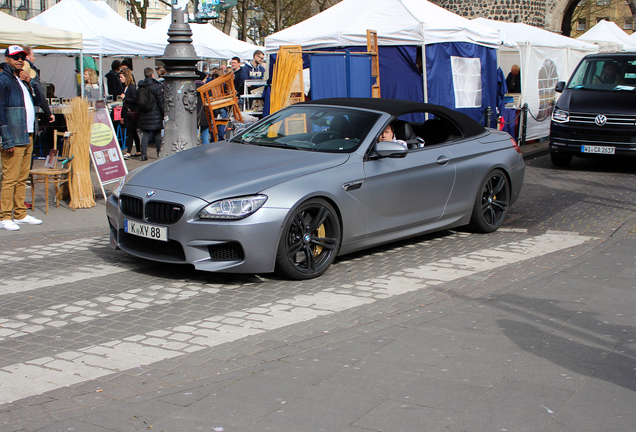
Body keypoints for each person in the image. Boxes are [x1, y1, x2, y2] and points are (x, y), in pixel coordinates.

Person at [0, 45, 45, 230]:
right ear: (8, 58)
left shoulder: (20, 79)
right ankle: (4, 216)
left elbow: (36, 100)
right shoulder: (3, 79)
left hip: (27, 134)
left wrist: (30, 82)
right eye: (16, 57)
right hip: (14, 135)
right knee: (10, 177)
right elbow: (0, 110)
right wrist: (7, 137)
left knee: (21, 177)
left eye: (22, 57)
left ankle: (19, 213)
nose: (20, 59)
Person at [137, 67, 164, 161]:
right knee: (157, 134)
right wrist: (163, 113)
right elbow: (161, 102)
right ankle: (159, 153)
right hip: (155, 112)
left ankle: (143, 154)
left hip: (144, 113)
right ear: (152, 74)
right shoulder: (156, 86)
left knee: (145, 134)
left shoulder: (141, 86)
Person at [119, 68, 140, 159]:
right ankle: (138, 150)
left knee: (130, 132)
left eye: (121, 77)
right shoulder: (127, 86)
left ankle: (128, 151)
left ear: (126, 77)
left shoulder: (131, 87)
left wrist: (125, 98)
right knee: (133, 132)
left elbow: (135, 100)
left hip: (131, 113)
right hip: (128, 113)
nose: (120, 79)